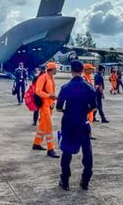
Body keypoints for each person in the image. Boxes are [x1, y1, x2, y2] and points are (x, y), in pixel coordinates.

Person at [56, 60, 97, 191]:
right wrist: (84, 112)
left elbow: (58, 108)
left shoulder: (65, 87)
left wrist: (67, 112)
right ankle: (85, 181)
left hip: (69, 123)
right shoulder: (89, 87)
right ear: (82, 71)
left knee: (67, 152)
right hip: (83, 123)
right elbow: (94, 107)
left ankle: (65, 180)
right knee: (87, 153)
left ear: (71, 71)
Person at [32, 62, 60, 158]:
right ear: (51, 69)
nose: (57, 70)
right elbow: (38, 91)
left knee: (43, 126)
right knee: (49, 127)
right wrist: (49, 96)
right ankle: (50, 149)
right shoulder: (43, 77)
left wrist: (52, 101)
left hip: (49, 105)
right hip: (44, 105)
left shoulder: (51, 78)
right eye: (55, 69)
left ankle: (36, 143)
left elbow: (51, 91)